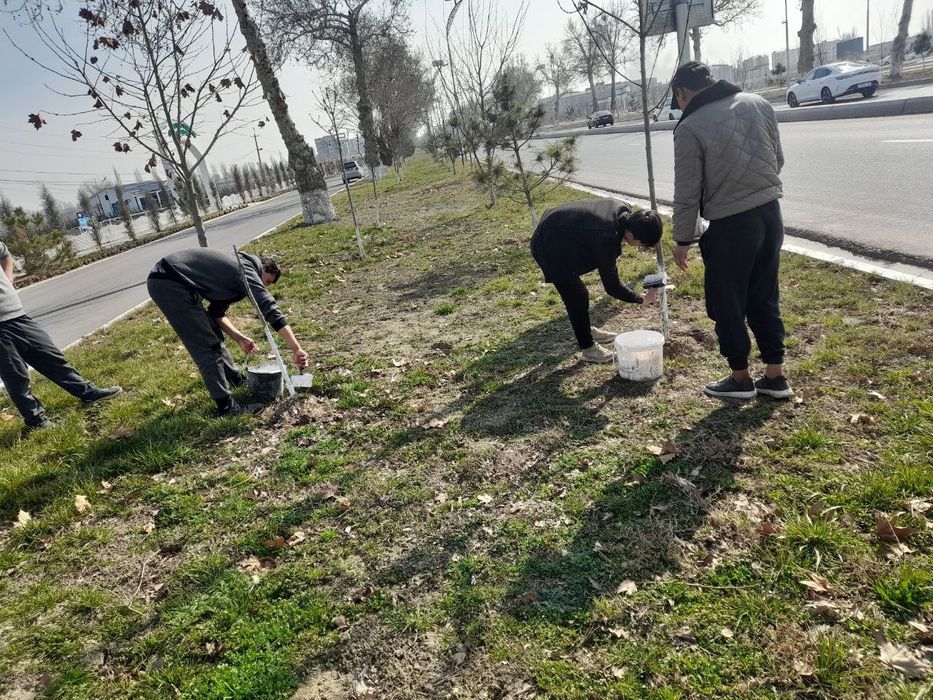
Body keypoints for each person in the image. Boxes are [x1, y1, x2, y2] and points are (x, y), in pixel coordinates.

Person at [670, 61, 793, 400]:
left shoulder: (690, 127)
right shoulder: (759, 103)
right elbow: (777, 158)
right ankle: (775, 375)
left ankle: (740, 379)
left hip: (731, 227)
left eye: (676, 99)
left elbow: (687, 191)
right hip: (771, 216)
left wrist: (683, 239)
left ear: (681, 93)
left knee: (727, 303)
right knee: (765, 294)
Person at [147, 248, 308, 416]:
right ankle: (226, 407)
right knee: (208, 346)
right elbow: (268, 307)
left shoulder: (232, 274)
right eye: (266, 282)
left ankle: (236, 381)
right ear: (264, 269)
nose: (263, 286)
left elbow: (216, 314)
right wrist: (296, 348)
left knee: (213, 334)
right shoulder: (246, 269)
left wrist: (239, 338)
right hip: (170, 282)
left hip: (170, 279)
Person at [0, 242, 122, 430]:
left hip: (18, 315)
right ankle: (36, 421)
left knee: (52, 357)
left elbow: (5, 254)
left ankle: (87, 393)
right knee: (16, 376)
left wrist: (8, 279)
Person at [531, 198, 662, 364]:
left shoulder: (623, 209)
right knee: (577, 296)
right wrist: (641, 298)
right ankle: (588, 348)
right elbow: (612, 286)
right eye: (640, 244)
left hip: (559, 227)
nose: (639, 248)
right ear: (630, 235)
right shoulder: (607, 236)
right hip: (548, 244)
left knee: (578, 293)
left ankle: (586, 330)